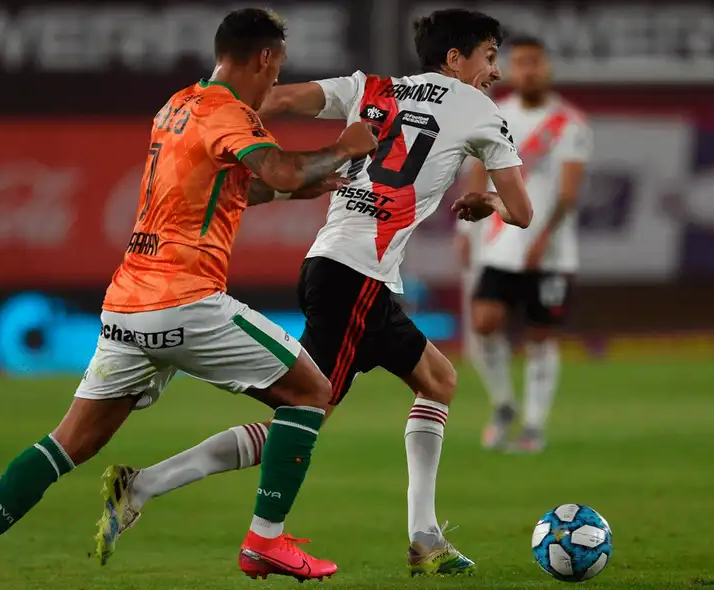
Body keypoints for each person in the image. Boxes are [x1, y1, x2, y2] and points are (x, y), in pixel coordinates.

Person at [0, 8, 379, 588]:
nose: (274, 84)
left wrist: (321, 178)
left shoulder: (178, 104)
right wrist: (343, 146)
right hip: (187, 300)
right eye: (276, 69)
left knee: (69, 443)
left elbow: (253, 187)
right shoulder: (230, 113)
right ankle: (265, 541)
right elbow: (283, 171)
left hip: (127, 306)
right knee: (313, 391)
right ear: (264, 58)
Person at [91, 8, 534, 578]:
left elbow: (271, 101)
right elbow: (522, 211)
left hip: (339, 272)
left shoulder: (369, 88)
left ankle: (425, 538)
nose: (495, 71)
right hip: (354, 276)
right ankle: (144, 486)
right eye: (490, 56)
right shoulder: (480, 110)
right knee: (301, 416)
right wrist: (490, 203)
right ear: (456, 59)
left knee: (438, 380)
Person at [457, 34, 591, 453]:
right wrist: (467, 232)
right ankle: (503, 404)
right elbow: (478, 171)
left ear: (547, 67)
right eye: (521, 63)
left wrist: (543, 241)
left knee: (539, 337)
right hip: (499, 244)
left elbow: (568, 193)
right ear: (511, 69)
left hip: (549, 251)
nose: (529, 70)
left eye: (536, 62)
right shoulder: (496, 115)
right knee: (483, 323)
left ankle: (534, 425)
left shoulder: (569, 124)